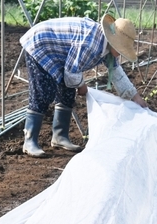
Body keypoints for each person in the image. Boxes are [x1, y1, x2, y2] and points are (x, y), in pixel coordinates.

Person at [19, 14, 149, 157]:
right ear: (113, 41)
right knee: (43, 92)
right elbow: (71, 72)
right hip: (40, 44)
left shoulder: (107, 47)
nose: (121, 53)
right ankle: (29, 141)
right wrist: (82, 85)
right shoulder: (91, 44)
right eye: (121, 48)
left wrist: (135, 97)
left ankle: (59, 137)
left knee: (68, 92)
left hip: (61, 53)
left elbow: (117, 74)